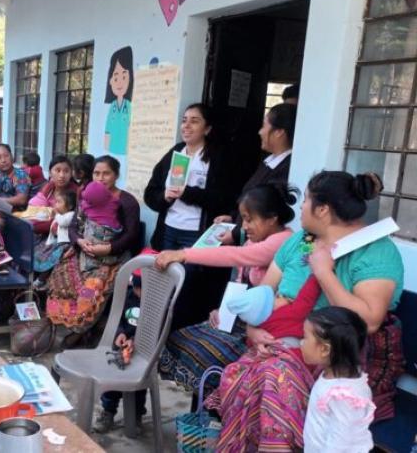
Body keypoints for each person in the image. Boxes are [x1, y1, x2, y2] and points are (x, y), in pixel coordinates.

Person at [211, 171, 404, 451]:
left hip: (338, 353)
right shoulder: (302, 239)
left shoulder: (376, 251)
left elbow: (369, 321)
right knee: (238, 373)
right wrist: (255, 329)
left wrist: (324, 272)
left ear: (323, 209)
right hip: (289, 338)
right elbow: (264, 294)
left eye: (306, 200)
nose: (300, 207)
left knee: (274, 376)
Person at [155, 183, 297, 394]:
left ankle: (212, 413)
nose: (244, 226)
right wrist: (222, 310)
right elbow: (239, 282)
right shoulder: (256, 240)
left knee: (207, 359)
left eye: (250, 219)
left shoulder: (282, 241)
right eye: (243, 219)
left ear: (272, 218)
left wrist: (184, 254)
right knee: (179, 340)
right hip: (242, 322)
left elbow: (233, 256)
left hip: (265, 330)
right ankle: (202, 416)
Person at [144, 103, 234, 329]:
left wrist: (189, 193)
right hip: (169, 230)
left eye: (194, 121)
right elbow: (150, 193)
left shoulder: (217, 157)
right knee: (165, 282)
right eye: (184, 120)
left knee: (188, 286)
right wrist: (164, 196)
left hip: (197, 234)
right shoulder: (174, 154)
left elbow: (225, 198)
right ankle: (158, 332)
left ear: (207, 128)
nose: (187, 126)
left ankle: (178, 333)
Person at [45, 156, 141, 347]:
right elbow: (74, 226)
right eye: (97, 173)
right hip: (85, 252)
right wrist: (79, 241)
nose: (101, 178)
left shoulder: (127, 202)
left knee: (91, 290)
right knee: (59, 277)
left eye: (106, 173)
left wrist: (108, 248)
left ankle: (81, 329)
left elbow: (132, 236)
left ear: (116, 175)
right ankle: (68, 326)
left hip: (113, 259)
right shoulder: (87, 195)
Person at [216, 103, 297, 245]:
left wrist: (236, 234)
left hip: (261, 244)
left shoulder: (288, 168)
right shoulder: (269, 162)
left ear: (279, 132)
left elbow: (266, 210)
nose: (260, 132)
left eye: (264, 126)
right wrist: (234, 218)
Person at [302, 307, 375, 453]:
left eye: (305, 337)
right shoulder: (331, 376)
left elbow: (341, 446)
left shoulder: (344, 397)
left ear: (325, 349)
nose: (301, 343)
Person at [93, 274, 145, 433]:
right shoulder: (126, 297)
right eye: (138, 289)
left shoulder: (157, 304)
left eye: (144, 289)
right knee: (112, 380)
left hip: (143, 351)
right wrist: (120, 334)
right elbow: (116, 319)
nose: (140, 293)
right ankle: (108, 411)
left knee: (138, 386)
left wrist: (135, 340)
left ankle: (136, 416)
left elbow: (155, 330)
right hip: (120, 348)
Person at [76, 180, 123, 271]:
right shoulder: (113, 202)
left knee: (90, 247)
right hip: (111, 236)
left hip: (97, 238)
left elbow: (83, 205)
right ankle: (106, 262)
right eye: (96, 173)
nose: (101, 178)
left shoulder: (88, 207)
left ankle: (92, 265)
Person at [29, 155, 78, 235]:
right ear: (50, 173)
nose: (62, 175)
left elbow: (68, 221)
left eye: (66, 171)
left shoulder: (75, 193)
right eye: (58, 170)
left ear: (71, 174)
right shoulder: (47, 190)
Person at [34, 190, 76, 274]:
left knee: (50, 261)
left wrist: (56, 214)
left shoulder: (71, 215)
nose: (56, 204)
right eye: (56, 202)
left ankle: (41, 280)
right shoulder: (59, 214)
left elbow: (62, 222)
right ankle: (34, 274)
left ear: (70, 206)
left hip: (62, 245)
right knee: (37, 254)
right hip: (53, 242)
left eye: (59, 202)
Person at [104, 46, 133, 155]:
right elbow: (107, 130)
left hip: (125, 150)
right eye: (116, 78)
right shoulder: (113, 106)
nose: (120, 83)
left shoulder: (129, 106)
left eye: (124, 77)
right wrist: (106, 149)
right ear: (110, 80)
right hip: (111, 149)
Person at [0, 143, 30, 211]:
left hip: (15, 216)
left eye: (6, 156)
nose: (3, 160)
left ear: (12, 157)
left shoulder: (20, 175)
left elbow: (21, 200)